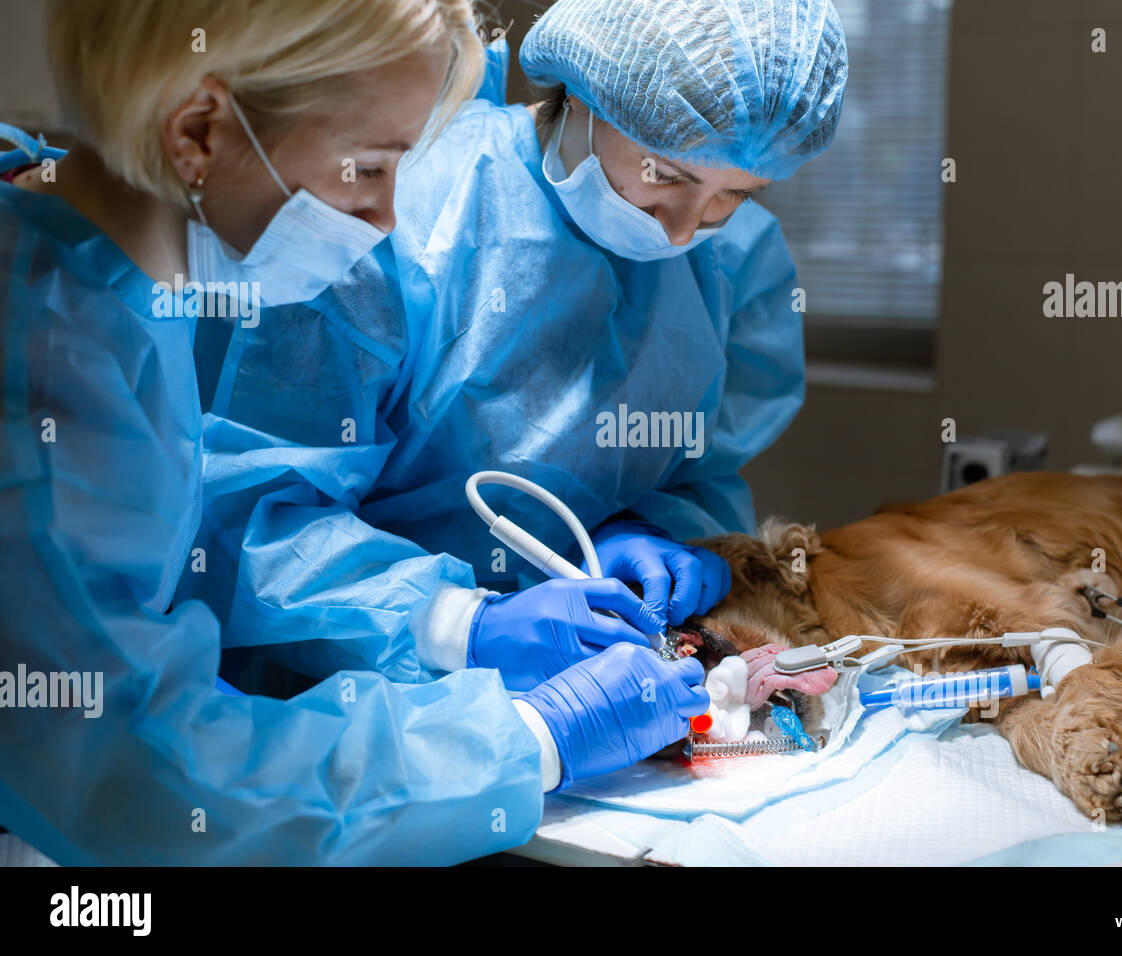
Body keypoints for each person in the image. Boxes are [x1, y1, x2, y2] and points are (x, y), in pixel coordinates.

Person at [0, 0, 707, 866]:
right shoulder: (43, 371)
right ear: (196, 132)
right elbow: (133, 772)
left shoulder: (106, 285)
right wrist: (528, 738)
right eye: (367, 168)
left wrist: (456, 630)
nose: (387, 222)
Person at [187, 0, 849, 694]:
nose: (685, 230)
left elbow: (698, 472)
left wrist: (648, 530)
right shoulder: (393, 214)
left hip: (590, 678)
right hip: (343, 705)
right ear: (585, 90)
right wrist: (457, 625)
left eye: (734, 194)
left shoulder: (735, 264)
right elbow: (254, 518)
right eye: (666, 176)